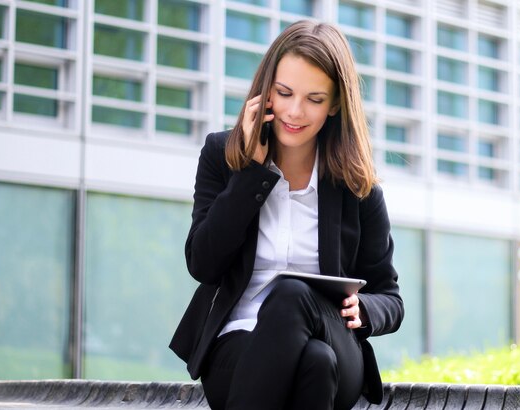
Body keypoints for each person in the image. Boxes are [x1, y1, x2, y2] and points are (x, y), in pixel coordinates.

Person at [169, 20, 404, 410]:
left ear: (335, 105)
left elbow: (390, 299)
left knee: (293, 296)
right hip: (239, 345)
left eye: (314, 99)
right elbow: (203, 264)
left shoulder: (357, 185)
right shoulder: (221, 157)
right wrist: (250, 176)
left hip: (333, 336)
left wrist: (364, 310)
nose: (295, 111)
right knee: (314, 364)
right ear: (265, 93)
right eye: (284, 92)